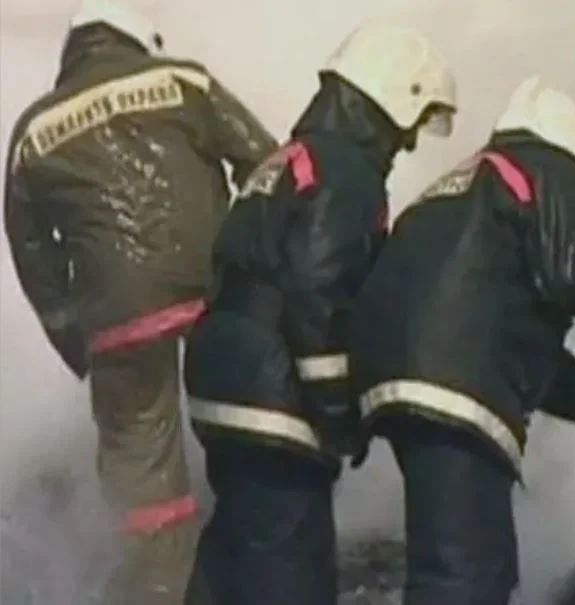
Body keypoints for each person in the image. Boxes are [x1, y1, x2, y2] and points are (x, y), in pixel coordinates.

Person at [347, 75, 575, 605]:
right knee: (467, 575)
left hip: (400, 388)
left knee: (457, 563)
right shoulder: (549, 166)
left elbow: (539, 370)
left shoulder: (464, 194)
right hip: (458, 396)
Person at [2, 1, 276, 603]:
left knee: (142, 479)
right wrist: (256, 267)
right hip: (215, 292)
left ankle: (158, 587)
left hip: (117, 319)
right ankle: (257, 566)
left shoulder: (33, 130)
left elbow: (31, 251)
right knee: (252, 424)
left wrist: (74, 337)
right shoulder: (183, 81)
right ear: (137, 40)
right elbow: (266, 163)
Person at [181, 23, 458, 605]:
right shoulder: (346, 171)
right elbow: (318, 294)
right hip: (272, 394)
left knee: (232, 552)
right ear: (392, 99)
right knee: (288, 573)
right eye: (411, 125)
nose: (408, 144)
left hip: (220, 374)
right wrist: (338, 415)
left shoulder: (288, 159)